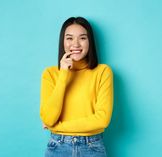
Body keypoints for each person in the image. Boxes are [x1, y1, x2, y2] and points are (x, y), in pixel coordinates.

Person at [40, 16, 113, 157]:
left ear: (90, 42)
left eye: (82, 38)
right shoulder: (50, 73)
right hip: (58, 147)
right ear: (63, 42)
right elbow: (48, 118)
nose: (76, 44)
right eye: (69, 38)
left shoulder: (103, 72)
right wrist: (63, 75)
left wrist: (57, 127)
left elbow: (102, 120)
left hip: (92, 148)